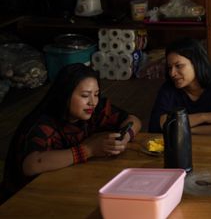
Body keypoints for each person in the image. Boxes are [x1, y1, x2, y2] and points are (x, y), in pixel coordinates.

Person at [1, 63, 141, 201]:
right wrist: (89, 150)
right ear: (65, 94)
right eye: (85, 95)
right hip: (25, 199)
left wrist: (124, 138)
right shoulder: (43, 123)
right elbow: (32, 164)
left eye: (96, 94)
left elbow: (133, 120)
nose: (92, 102)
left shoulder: (95, 110)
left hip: (62, 187)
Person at [149, 37, 211, 136]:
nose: (172, 73)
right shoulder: (168, 88)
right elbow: (158, 124)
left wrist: (185, 130)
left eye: (179, 66)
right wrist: (206, 117)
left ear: (196, 63)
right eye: (169, 68)